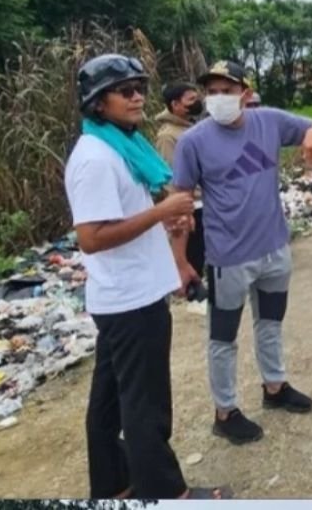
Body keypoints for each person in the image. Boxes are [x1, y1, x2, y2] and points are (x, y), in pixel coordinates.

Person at [65, 54, 232, 500]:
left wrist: (165, 227)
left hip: (124, 296)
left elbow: (123, 218)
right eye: (125, 91)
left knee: (109, 404)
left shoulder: (122, 148)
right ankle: (166, 493)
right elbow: (92, 237)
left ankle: (114, 484)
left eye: (139, 87)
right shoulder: (97, 159)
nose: (137, 96)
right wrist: (162, 211)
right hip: (131, 301)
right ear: (99, 103)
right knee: (145, 405)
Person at [170, 60, 312, 445]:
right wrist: (179, 262)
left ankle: (274, 388)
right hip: (228, 257)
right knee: (223, 338)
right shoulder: (193, 142)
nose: (218, 98)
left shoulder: (269, 122)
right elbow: (179, 204)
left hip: (274, 248)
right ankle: (224, 412)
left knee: (271, 324)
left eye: (227, 90)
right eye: (212, 91)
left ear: (245, 93)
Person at [155, 81, 206, 284]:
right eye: (191, 99)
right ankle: (190, 290)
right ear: (175, 105)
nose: (197, 102)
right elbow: (170, 175)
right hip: (190, 203)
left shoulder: (191, 128)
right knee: (193, 251)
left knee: (202, 248)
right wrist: (181, 208)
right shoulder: (168, 136)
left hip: (202, 200)